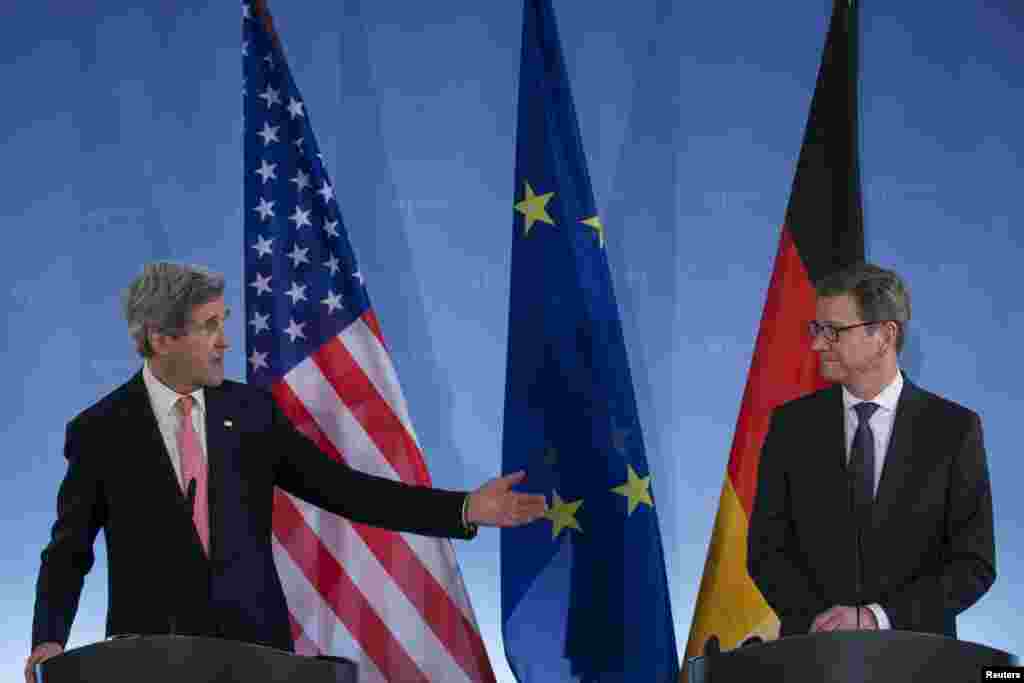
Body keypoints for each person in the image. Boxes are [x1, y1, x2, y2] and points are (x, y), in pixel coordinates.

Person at [26, 263, 547, 682]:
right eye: (209, 327)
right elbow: (69, 550)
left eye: (223, 322)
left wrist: (464, 508)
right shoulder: (100, 431)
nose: (224, 341)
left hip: (260, 655)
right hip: (153, 662)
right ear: (161, 338)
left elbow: (345, 491)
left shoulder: (252, 412)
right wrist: (48, 638)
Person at [748, 262, 995, 638]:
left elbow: (973, 564)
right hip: (811, 660)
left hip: (917, 662)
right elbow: (767, 552)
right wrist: (823, 621)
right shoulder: (791, 426)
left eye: (833, 331)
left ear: (884, 335)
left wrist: (878, 617)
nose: (817, 344)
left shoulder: (954, 430)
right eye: (817, 329)